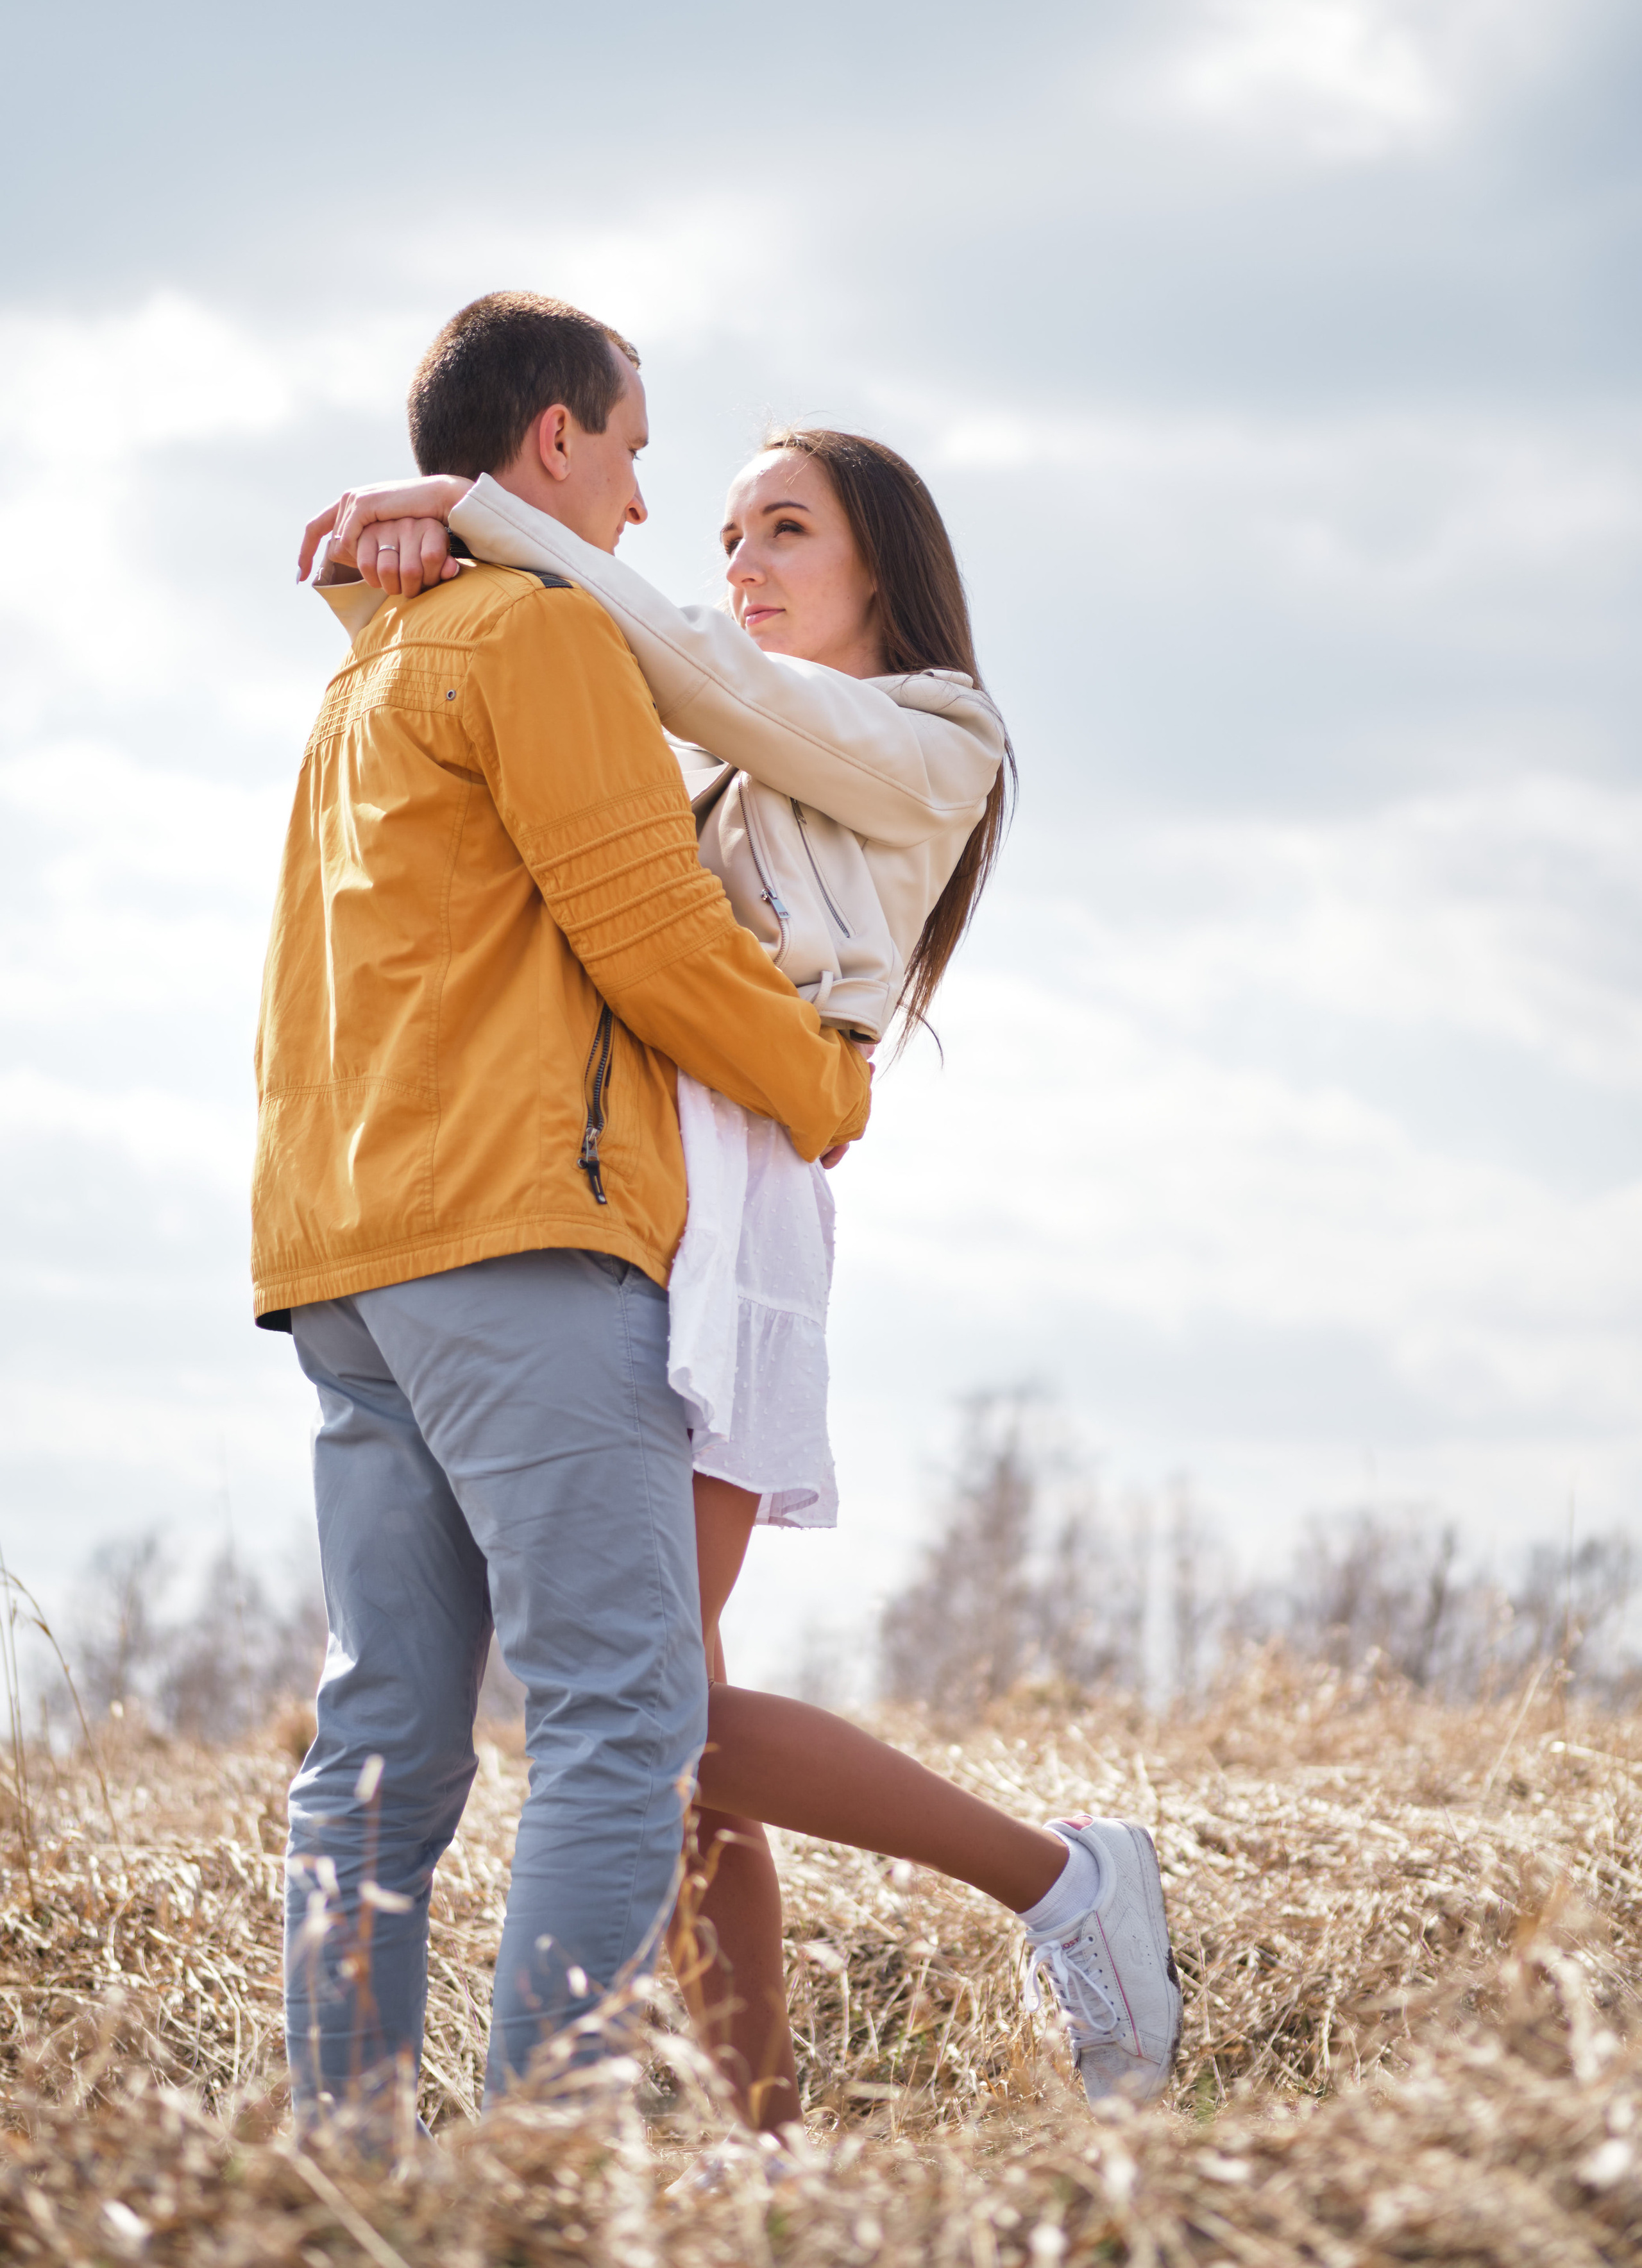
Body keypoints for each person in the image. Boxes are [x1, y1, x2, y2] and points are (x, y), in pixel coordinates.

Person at [305, 419, 1183, 2127]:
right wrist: (412, 565)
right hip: (632, 1169)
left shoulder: (942, 741)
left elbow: (687, 666)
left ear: (885, 573)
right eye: (727, 532)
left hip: (741, 1193)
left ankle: (1063, 1884)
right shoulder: (722, 758)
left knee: (665, 1710)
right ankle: (764, 2143)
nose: (742, 564)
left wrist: (471, 510)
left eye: (786, 530)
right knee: (675, 1733)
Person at [258, 289, 872, 2120]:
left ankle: (345, 2171)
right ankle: (541, 2167)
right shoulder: (533, 636)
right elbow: (653, 928)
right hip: (519, 1237)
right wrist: (819, 1081)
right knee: (624, 1716)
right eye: (630, 455)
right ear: (554, 444)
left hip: (344, 1256)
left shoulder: (367, 671)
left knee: (381, 1735)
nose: (637, 505)